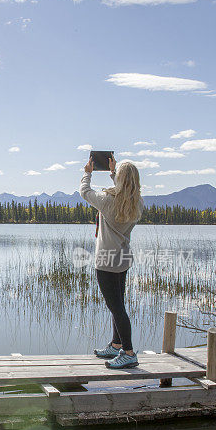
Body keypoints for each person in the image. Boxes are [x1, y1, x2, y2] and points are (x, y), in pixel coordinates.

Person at [80, 156, 143, 368]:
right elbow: (125, 190)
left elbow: (85, 192)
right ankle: (116, 345)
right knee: (119, 305)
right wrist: (114, 173)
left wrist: (88, 172)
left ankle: (129, 352)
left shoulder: (108, 201)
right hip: (123, 258)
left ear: (121, 179)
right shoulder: (137, 203)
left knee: (116, 307)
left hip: (106, 260)